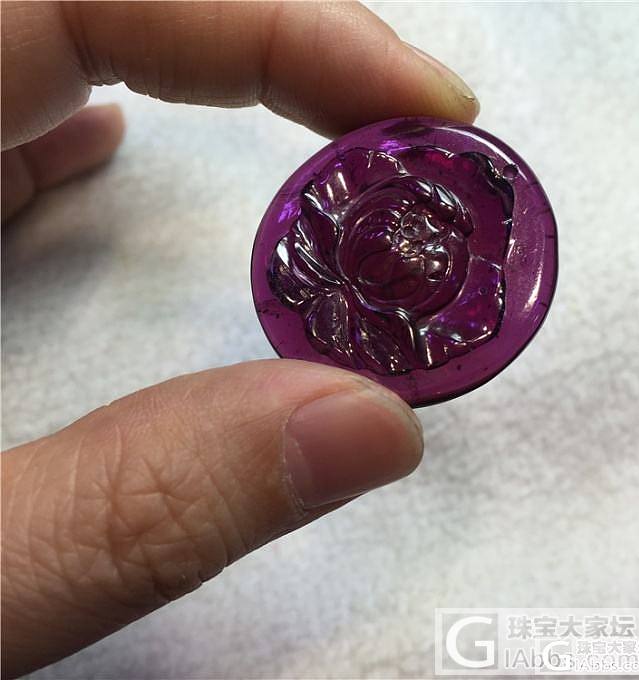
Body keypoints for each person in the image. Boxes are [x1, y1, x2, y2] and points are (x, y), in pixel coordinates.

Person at [1, 2, 478, 677]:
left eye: (433, 238)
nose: (414, 245)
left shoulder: (448, 317)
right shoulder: (320, 240)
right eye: (405, 224)